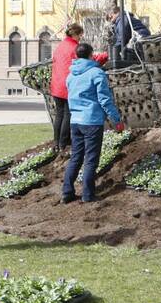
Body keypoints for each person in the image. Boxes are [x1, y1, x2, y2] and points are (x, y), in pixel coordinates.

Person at [62, 42, 125, 203]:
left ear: (77, 56)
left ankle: (67, 192)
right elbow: (105, 100)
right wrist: (116, 120)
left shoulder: (70, 76)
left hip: (75, 121)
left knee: (76, 157)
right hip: (92, 121)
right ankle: (88, 195)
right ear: (91, 55)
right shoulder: (97, 73)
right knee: (91, 159)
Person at [50, 23, 108, 152]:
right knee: (67, 113)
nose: (81, 37)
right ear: (75, 34)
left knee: (59, 114)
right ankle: (63, 143)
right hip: (67, 85)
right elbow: (88, 60)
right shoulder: (74, 47)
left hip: (56, 84)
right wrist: (104, 56)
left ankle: (56, 142)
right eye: (80, 34)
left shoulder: (60, 46)